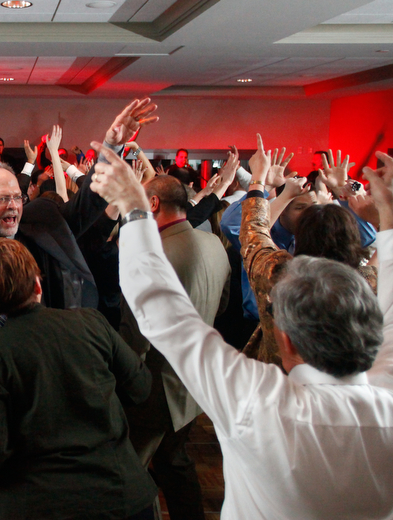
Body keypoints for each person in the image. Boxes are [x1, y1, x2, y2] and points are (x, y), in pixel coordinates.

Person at [0, 77, 158, 519]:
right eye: (2, 198)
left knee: (29, 464)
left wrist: (112, 146)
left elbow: (89, 203)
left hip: (37, 372)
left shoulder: (43, 219)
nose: (14, 206)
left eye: (17, 196)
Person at [90, 142, 393, 519]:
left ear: (286, 339)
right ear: (371, 330)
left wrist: (134, 208)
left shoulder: (256, 401)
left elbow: (164, 312)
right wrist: (387, 217)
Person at [0, 238, 157, 519]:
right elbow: (140, 387)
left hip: (40, 504)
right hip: (122, 495)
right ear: (37, 285)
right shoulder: (91, 323)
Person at [120, 174, 230, 520]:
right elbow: (223, 306)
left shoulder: (151, 258)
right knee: (174, 462)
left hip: (156, 389)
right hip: (196, 383)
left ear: (153, 204)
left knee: (129, 471)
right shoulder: (214, 244)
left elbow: (135, 342)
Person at [240, 135, 377, 366]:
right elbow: (383, 244)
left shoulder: (277, 273)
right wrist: (347, 191)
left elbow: (253, 230)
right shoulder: (364, 283)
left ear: (301, 236)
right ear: (353, 242)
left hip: (276, 378)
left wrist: (258, 179)